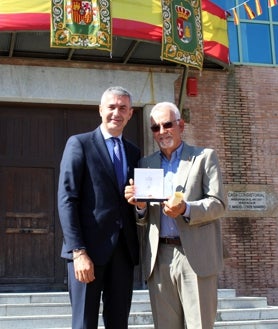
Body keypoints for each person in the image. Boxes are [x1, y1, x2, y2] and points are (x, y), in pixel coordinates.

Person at [125, 101, 226, 329]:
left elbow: (219, 203)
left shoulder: (204, 157)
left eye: (167, 124)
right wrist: (139, 206)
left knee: (199, 324)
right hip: (159, 257)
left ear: (181, 125)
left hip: (195, 256)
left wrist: (186, 209)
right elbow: (143, 218)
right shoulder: (146, 164)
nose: (162, 132)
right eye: (155, 128)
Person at [57, 86, 141, 329]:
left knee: (118, 323)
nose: (117, 112)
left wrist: (139, 205)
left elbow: (135, 202)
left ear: (131, 114)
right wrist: (78, 251)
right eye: (111, 107)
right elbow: (67, 198)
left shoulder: (134, 152)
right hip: (87, 253)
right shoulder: (79, 144)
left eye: (122, 108)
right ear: (100, 110)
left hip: (123, 254)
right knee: (84, 323)